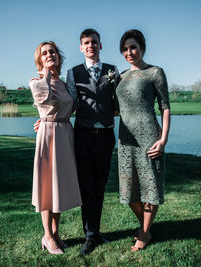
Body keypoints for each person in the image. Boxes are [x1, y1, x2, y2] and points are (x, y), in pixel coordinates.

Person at [115, 29, 171, 252]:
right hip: (126, 139)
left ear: (142, 47)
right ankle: (144, 226)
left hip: (149, 136)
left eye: (133, 47)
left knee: (150, 187)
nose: (130, 52)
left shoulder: (155, 72)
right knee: (129, 193)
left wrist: (163, 139)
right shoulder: (120, 77)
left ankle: (145, 233)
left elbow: (165, 107)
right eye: (125, 49)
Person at [66, 28, 119, 255]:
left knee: (100, 185)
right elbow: (68, 104)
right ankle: (89, 236)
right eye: (86, 43)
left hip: (106, 136)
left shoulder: (112, 71)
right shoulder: (73, 73)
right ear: (81, 47)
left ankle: (96, 232)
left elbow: (119, 100)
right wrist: (45, 120)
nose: (91, 46)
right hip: (84, 136)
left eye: (94, 42)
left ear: (100, 45)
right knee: (86, 186)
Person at [29, 41, 82, 255]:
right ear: (39, 59)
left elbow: (72, 105)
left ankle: (55, 232)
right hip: (48, 135)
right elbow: (44, 99)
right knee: (46, 187)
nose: (49, 54)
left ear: (59, 56)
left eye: (52, 51)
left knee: (58, 187)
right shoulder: (37, 81)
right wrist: (46, 73)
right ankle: (48, 237)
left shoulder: (64, 83)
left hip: (65, 133)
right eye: (44, 53)